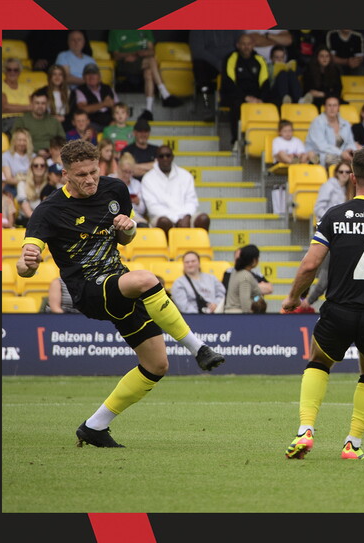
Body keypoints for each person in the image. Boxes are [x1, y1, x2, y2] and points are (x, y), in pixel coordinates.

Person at [16, 140, 225, 448]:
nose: (89, 180)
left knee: (157, 365)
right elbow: (25, 264)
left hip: (117, 285)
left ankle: (95, 426)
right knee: (146, 278)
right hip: (88, 291)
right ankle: (199, 349)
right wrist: (28, 264)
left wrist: (128, 227)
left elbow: (125, 238)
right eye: (81, 175)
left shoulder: (114, 190)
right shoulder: (48, 210)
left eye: (93, 172)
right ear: (65, 175)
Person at [281, 146, 364, 461]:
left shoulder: (335, 215)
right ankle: (352, 444)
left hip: (339, 309)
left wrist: (293, 298)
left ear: (353, 177)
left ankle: (305, 430)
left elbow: (309, 265)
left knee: (319, 362)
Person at [108, 29, 183, 120]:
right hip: (125, 63)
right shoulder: (115, 31)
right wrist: (129, 54)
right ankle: (165, 94)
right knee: (151, 61)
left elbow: (152, 51)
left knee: (149, 72)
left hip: (142, 60)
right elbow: (115, 55)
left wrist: (142, 53)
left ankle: (148, 110)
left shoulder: (146, 29)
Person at [141, 145, 211, 235]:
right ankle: (167, 249)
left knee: (203, 219)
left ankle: (199, 248)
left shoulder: (185, 175)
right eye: (161, 156)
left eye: (168, 155)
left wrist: (185, 217)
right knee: (164, 222)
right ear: (157, 159)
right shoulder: (148, 178)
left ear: (173, 157)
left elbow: (192, 201)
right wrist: (176, 219)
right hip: (161, 218)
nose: (165, 158)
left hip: (186, 216)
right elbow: (153, 207)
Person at [221, 32, 270, 150]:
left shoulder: (260, 59)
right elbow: (229, 82)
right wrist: (245, 97)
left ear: (253, 45)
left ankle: (263, 142)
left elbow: (265, 82)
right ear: (238, 45)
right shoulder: (231, 58)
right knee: (237, 104)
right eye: (243, 44)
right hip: (235, 95)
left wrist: (260, 99)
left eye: (249, 44)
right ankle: (236, 140)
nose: (246, 47)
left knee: (273, 102)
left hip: (256, 96)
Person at [188, 30, 242, 115]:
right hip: (209, 63)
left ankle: (238, 104)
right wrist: (218, 63)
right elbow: (197, 51)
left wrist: (228, 63)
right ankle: (206, 104)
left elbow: (241, 45)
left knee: (244, 63)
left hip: (231, 62)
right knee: (199, 65)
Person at [304, 95, 358, 167]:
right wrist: (341, 153)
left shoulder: (346, 124)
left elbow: (350, 142)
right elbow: (321, 146)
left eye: (335, 105)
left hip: (340, 155)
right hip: (316, 155)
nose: (332, 108)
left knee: (360, 159)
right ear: (325, 107)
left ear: (338, 107)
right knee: (334, 160)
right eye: (329, 105)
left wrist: (349, 150)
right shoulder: (317, 122)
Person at [12, 88, 66, 155]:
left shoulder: (54, 121)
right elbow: (16, 142)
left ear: (47, 104)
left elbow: (62, 141)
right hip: (29, 154)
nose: (40, 106)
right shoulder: (22, 121)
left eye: (43, 103)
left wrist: (51, 150)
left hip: (52, 155)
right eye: (37, 103)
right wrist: (37, 151)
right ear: (31, 103)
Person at [72, 63, 118, 132]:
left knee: (119, 126)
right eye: (88, 74)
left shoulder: (108, 88)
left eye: (94, 73)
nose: (91, 76)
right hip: (92, 123)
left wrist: (115, 120)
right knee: (88, 130)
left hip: (110, 122)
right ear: (84, 77)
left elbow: (118, 107)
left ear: (99, 77)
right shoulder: (80, 90)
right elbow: (83, 109)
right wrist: (104, 104)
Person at [223, 244, 266, 314]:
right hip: (239, 315)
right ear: (254, 260)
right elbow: (245, 303)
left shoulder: (235, 272)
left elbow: (255, 297)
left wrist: (257, 298)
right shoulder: (245, 276)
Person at [15, 156, 52, 227]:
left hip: (45, 222)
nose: (39, 167)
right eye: (36, 165)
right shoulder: (22, 184)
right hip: (26, 221)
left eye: (42, 165)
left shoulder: (50, 186)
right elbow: (27, 212)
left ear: (46, 168)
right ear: (31, 168)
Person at [1, 57, 36, 133]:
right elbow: (4, 108)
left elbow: (34, 107)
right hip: (6, 121)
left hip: (27, 121)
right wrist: (27, 107)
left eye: (15, 70)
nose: (12, 72)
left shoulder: (28, 89)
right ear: (4, 71)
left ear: (19, 72)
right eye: (9, 69)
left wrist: (11, 106)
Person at [115, 152, 147, 226]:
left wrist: (138, 202)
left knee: (144, 225)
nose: (127, 175)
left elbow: (142, 210)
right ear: (119, 168)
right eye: (125, 171)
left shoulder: (137, 184)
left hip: (134, 216)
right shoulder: (110, 181)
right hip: (116, 215)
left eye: (130, 172)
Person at [2, 128, 34, 197]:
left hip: (31, 186)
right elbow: (8, 179)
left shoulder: (33, 156)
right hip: (13, 187)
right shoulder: (6, 156)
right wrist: (23, 181)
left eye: (24, 140)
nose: (22, 143)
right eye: (19, 140)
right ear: (14, 141)